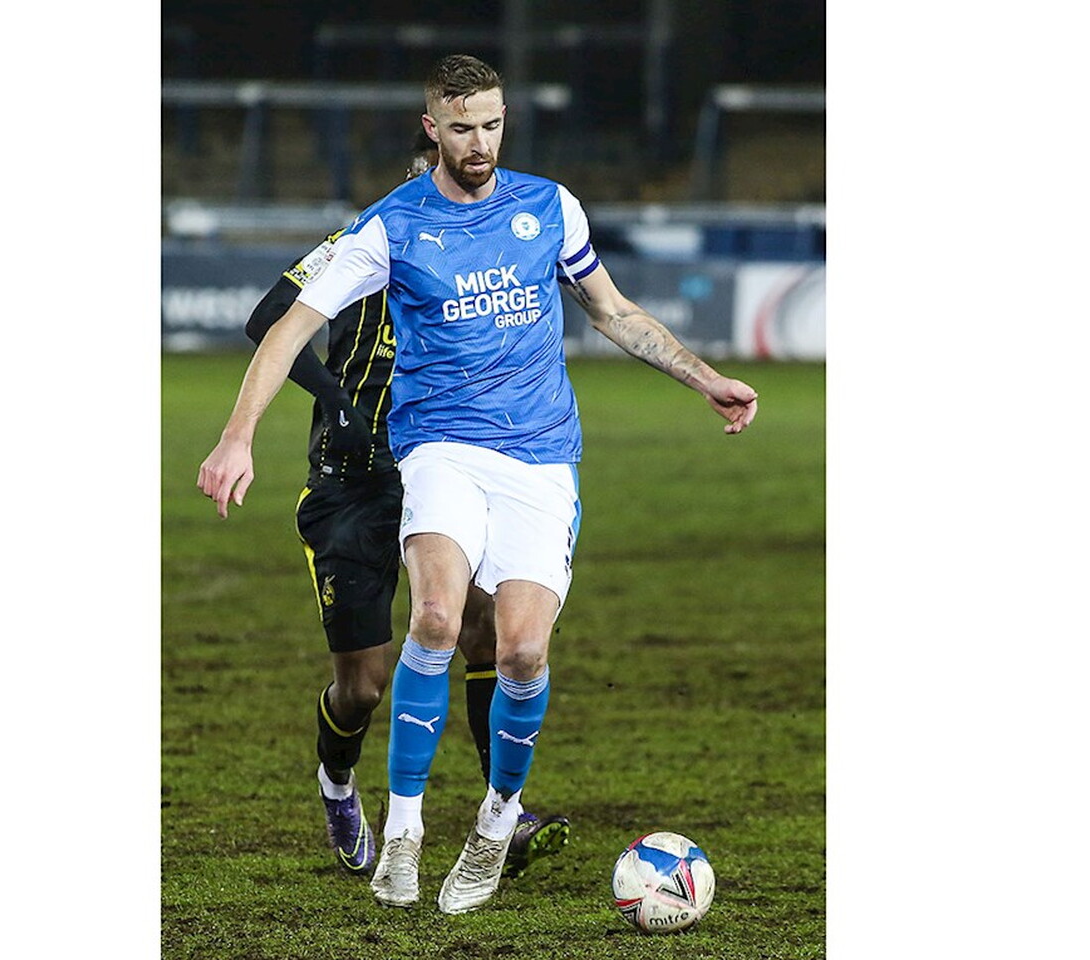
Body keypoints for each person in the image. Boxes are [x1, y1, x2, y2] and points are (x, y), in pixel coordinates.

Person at [198, 54, 758, 915]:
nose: (480, 143)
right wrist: (238, 435)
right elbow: (282, 323)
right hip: (428, 453)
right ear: (432, 129)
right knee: (422, 628)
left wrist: (704, 376)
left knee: (519, 650)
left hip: (540, 457)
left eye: (492, 125)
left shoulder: (549, 207)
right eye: (462, 128)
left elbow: (611, 310)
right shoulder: (389, 228)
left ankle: (498, 824)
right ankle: (401, 831)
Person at [243, 132, 570, 881]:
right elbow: (268, 318)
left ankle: (505, 811)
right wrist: (336, 401)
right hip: (356, 484)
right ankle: (337, 782)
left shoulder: (483, 254)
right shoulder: (361, 244)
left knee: (481, 629)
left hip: (448, 467)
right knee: (363, 685)